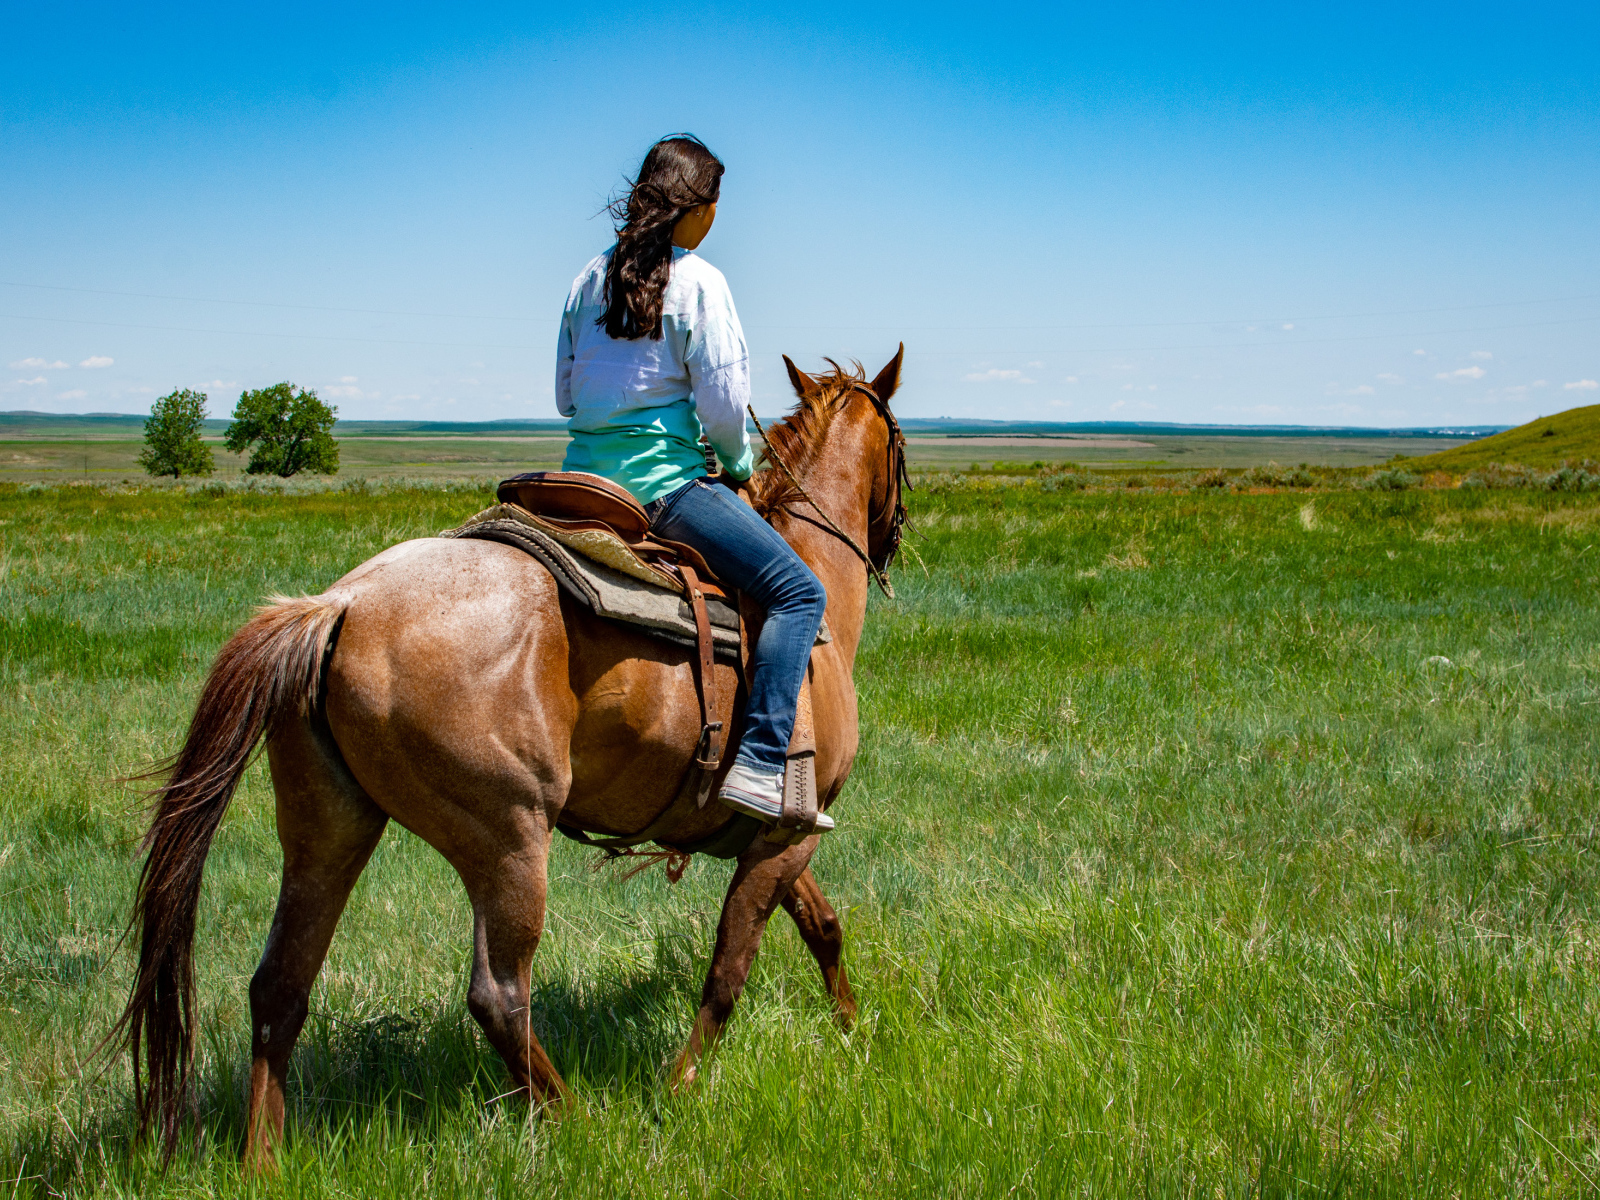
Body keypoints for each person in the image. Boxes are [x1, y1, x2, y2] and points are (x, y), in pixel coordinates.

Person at [555, 134, 833, 832]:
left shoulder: (585, 279)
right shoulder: (702, 282)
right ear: (699, 210)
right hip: (661, 492)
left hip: (578, 486)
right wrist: (739, 465)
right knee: (800, 592)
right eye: (716, 206)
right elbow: (722, 406)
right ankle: (766, 766)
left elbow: (565, 397)